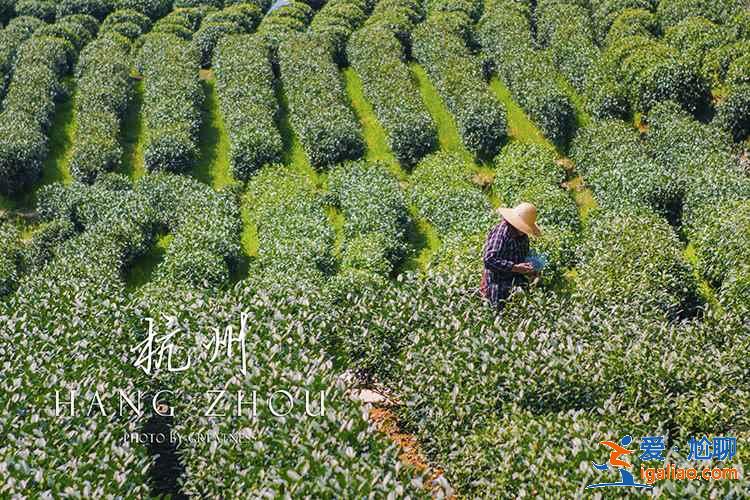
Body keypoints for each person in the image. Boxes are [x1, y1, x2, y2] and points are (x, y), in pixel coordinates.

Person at [480, 202, 541, 308]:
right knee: (499, 315)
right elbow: (489, 259)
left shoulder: (523, 237)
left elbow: (522, 258)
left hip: (516, 283)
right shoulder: (502, 233)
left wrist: (531, 270)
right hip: (498, 284)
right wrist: (514, 267)